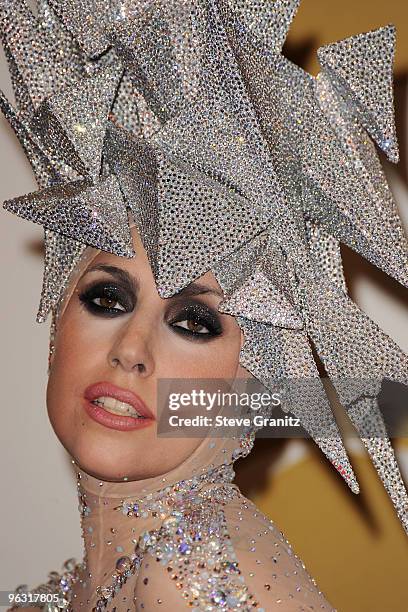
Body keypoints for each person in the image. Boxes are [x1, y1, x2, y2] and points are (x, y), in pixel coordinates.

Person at [1, 1, 407, 610]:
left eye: (194, 322)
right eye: (107, 297)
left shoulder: (194, 580)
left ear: (255, 383)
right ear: (59, 318)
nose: (130, 352)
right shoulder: (110, 578)